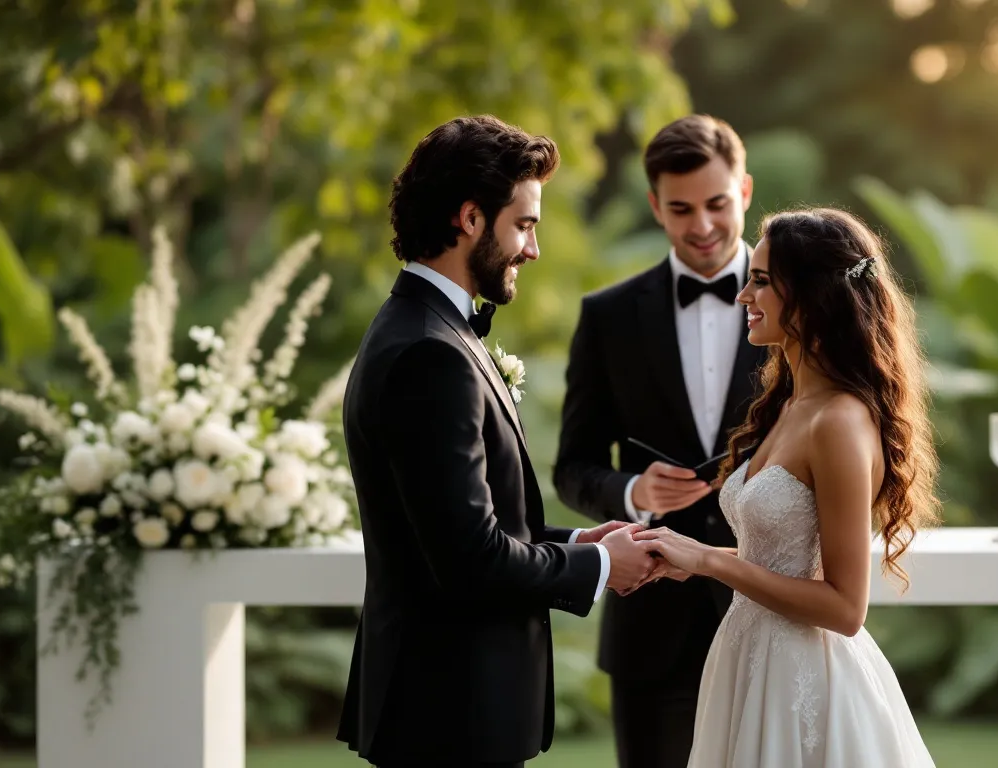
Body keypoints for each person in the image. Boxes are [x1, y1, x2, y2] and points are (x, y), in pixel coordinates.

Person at [336, 115, 657, 768]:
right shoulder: (429, 354)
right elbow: (468, 561)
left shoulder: (426, 331)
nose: (532, 249)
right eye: (525, 224)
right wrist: (599, 568)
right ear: (471, 219)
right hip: (448, 715)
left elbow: (471, 525)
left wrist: (575, 541)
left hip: (450, 709)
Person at [635, 207, 941, 767]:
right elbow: (785, 559)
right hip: (747, 657)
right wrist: (691, 558)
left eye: (761, 280)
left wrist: (709, 561)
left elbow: (847, 607)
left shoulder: (840, 422)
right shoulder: (792, 405)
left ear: (814, 293)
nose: (742, 295)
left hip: (804, 682)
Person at [552, 114, 766, 768]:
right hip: (650, 627)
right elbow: (572, 467)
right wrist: (630, 490)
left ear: (746, 192)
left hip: (768, 608)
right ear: (654, 206)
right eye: (680, 209)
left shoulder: (803, 305)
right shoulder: (608, 316)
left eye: (717, 204)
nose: (701, 225)